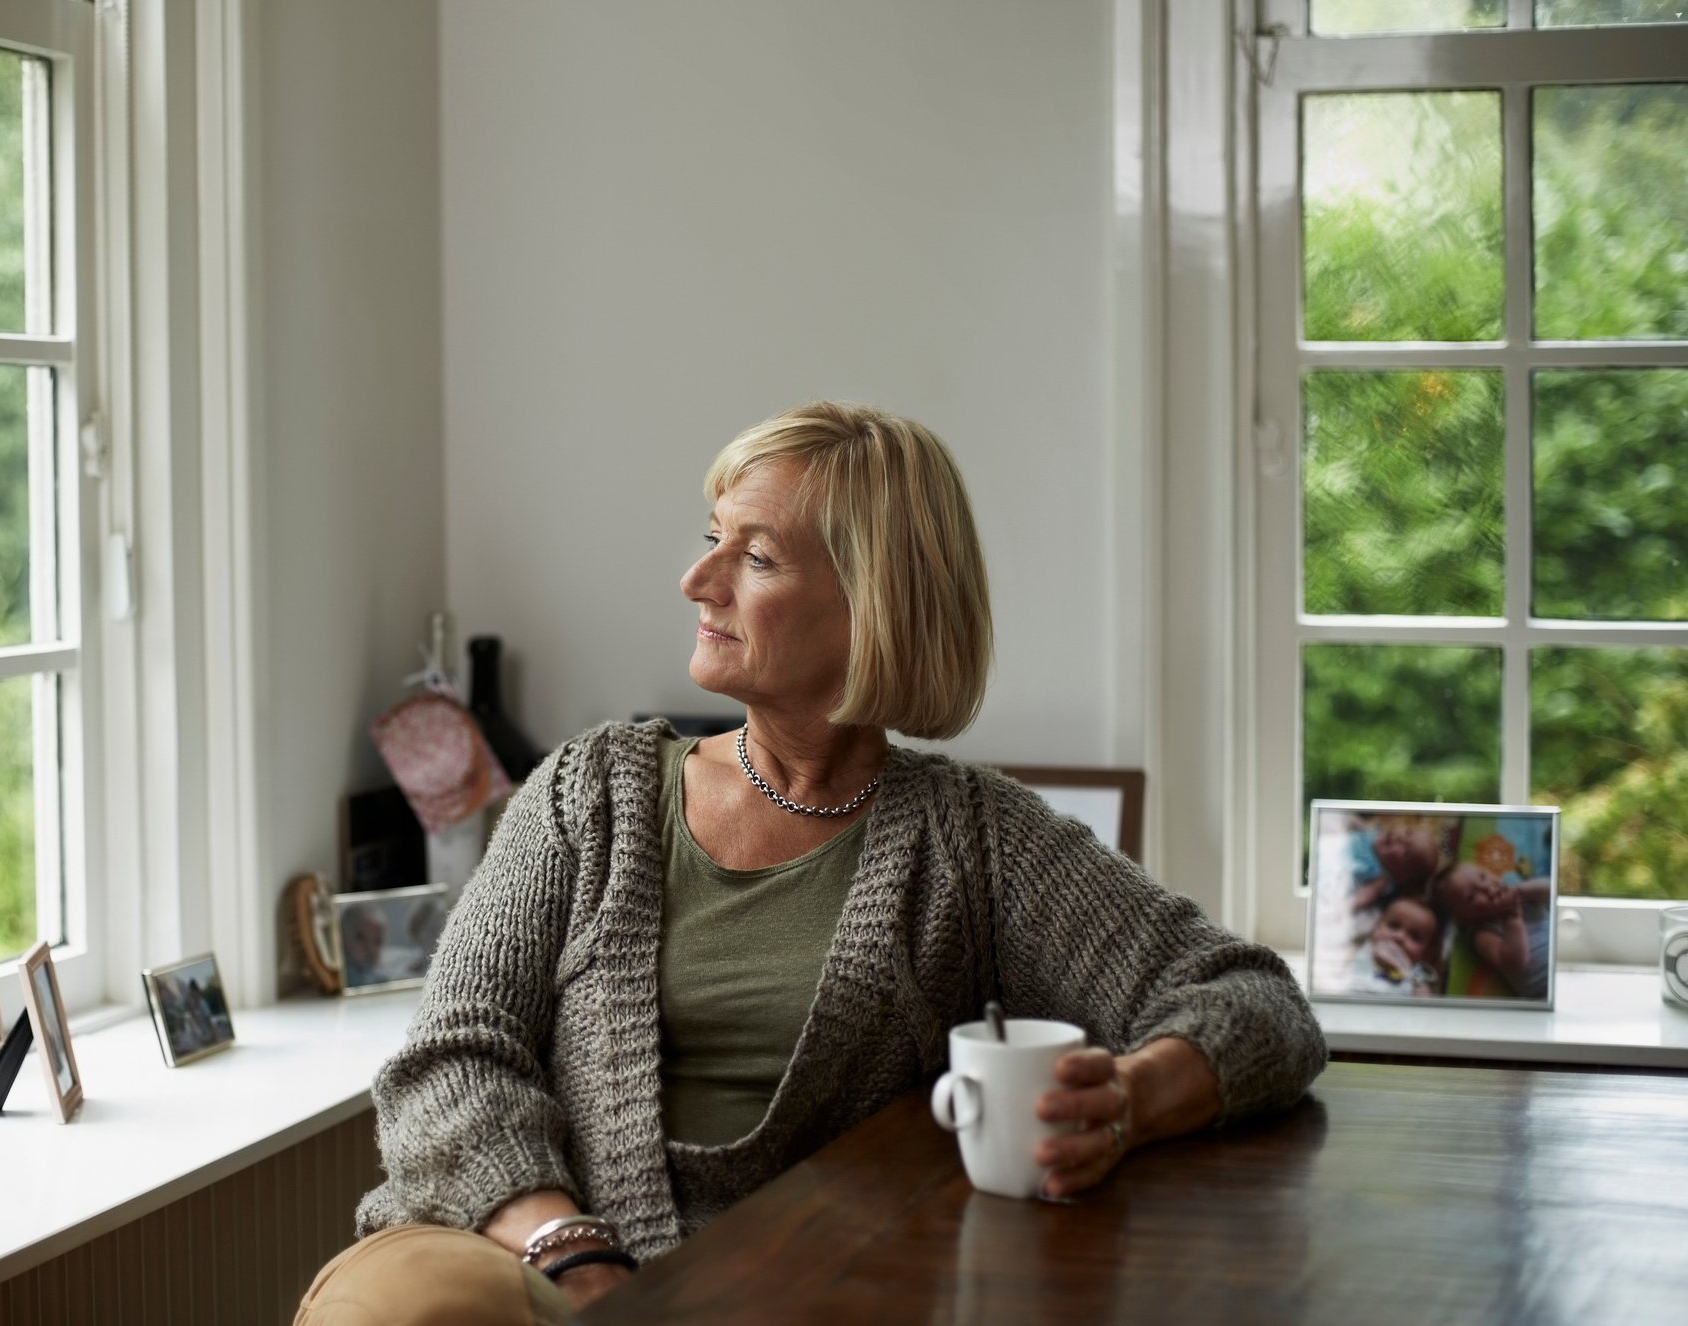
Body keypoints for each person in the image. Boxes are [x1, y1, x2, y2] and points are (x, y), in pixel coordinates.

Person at [295, 403, 1326, 1325]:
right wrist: (579, 1257)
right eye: (713, 539)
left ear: (876, 603)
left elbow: (1254, 1001)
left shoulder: (975, 841)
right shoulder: (590, 792)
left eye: (755, 558)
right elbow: (449, 1061)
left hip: (808, 1291)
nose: (697, 580)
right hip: (523, 1269)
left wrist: (1129, 1102)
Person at [1434, 861, 1551, 1000]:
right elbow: (1514, 963)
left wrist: (1520, 891)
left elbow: (1551, 889)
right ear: (1463, 919)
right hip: (1544, 990)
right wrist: (1512, 919)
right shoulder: (1483, 933)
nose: (1486, 887)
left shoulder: (1520, 891)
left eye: (1483, 877)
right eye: (1472, 895)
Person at [1349, 895, 1441, 996]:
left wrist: (1414, 980)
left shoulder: (1416, 977)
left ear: (1426, 954)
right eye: (1394, 926)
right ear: (1376, 928)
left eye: (1414, 937)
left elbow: (1425, 1003)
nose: (1400, 937)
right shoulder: (1360, 950)